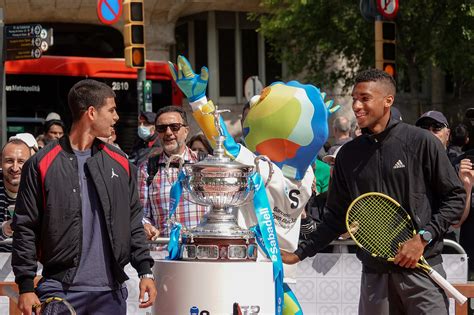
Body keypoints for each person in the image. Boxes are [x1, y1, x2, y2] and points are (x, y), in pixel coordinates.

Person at [281, 69, 465, 314]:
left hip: (423, 273)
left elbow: (455, 197)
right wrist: (300, 253)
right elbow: (335, 217)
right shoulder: (348, 155)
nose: (357, 105)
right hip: (374, 277)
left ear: (388, 100)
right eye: (354, 98)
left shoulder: (422, 142)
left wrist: (423, 238)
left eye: (365, 98)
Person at [168, 55, 338, 308]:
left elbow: (309, 139)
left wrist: (316, 112)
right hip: (247, 267)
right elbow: (222, 141)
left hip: (278, 271)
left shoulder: (301, 172)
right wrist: (198, 101)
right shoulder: (265, 168)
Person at [12, 79, 156, 315]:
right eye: (111, 110)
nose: (116, 117)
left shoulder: (121, 164)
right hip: (58, 289)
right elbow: (25, 227)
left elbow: (133, 220)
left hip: (110, 292)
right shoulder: (40, 163)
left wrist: (145, 271)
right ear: (91, 112)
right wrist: (26, 286)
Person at [138, 106, 208, 242]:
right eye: (162, 128)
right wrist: (146, 226)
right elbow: (142, 214)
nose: (168, 132)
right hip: (164, 254)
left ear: (186, 131)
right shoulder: (146, 169)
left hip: (201, 255)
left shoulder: (205, 164)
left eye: (174, 127)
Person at [0, 139, 31, 252]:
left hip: (31, 261)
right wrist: (4, 229)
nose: (15, 168)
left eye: (21, 161)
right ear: (0, 162)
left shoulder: (40, 188)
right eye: (9, 161)